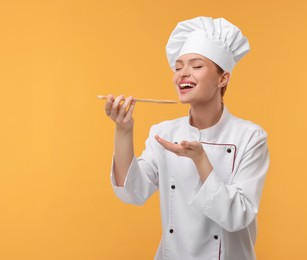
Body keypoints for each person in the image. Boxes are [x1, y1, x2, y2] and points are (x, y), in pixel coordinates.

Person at [104, 16, 270, 260]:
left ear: (223, 78)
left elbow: (237, 217)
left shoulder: (250, 137)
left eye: (196, 65)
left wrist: (201, 159)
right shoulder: (165, 133)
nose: (183, 73)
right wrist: (123, 130)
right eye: (179, 66)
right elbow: (132, 193)